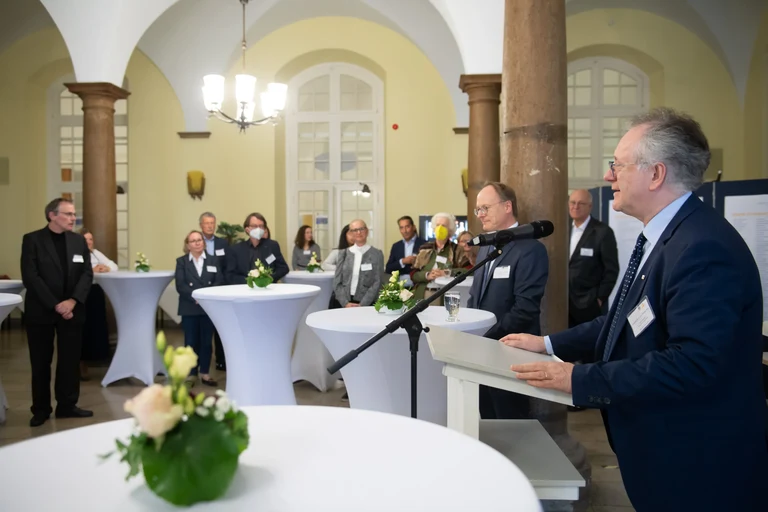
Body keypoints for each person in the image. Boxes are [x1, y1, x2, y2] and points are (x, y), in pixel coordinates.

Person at [502, 108, 768, 511]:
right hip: (667, 455)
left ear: (655, 174)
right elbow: (623, 321)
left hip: (698, 467)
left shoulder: (702, 247)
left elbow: (691, 363)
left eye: (617, 165)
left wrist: (578, 378)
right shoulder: (668, 236)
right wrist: (548, 343)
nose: (608, 175)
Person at [467, 182, 548, 420]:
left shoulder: (531, 249)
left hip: (511, 352)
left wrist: (485, 335)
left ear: (507, 206)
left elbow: (525, 309)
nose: (480, 214)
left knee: (510, 419)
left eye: (485, 208)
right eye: (478, 209)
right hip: (482, 350)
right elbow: (475, 297)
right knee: (486, 417)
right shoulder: (485, 247)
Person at [21, 198, 94, 427]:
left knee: (70, 361)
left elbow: (87, 273)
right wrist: (56, 304)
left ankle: (67, 405)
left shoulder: (78, 241)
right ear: (52, 215)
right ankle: (41, 409)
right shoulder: (32, 240)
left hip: (72, 310)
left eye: (74, 214)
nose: (73, 218)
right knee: (40, 362)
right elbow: (31, 277)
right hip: (42, 310)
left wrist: (72, 301)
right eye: (68, 214)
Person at [175, 230, 223, 386]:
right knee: (190, 342)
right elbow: (180, 285)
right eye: (193, 241)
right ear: (187, 245)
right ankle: (191, 374)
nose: (197, 243)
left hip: (208, 308)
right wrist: (195, 297)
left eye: (199, 240)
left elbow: (219, 281)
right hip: (190, 307)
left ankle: (205, 373)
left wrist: (205, 298)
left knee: (207, 342)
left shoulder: (213, 260)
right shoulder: (182, 262)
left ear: (204, 242)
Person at [567, 189, 619, 327]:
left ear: (590, 206)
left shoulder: (602, 232)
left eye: (581, 203)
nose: (575, 207)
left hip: (587, 306)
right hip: (562, 304)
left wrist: (600, 298)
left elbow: (611, 270)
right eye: (572, 202)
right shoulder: (562, 229)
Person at [79, 229, 117, 380]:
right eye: (86, 239)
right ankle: (81, 363)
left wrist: (106, 268)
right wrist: (92, 270)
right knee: (83, 329)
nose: (89, 242)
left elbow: (113, 265)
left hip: (95, 293)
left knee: (97, 327)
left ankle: (96, 358)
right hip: (82, 294)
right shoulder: (76, 254)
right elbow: (74, 272)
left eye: (91, 239)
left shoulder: (96, 253)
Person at [332, 219, 384, 308]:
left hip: (367, 303)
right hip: (344, 303)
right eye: (355, 230)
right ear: (351, 233)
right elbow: (337, 282)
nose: (359, 232)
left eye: (361, 229)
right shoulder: (343, 253)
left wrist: (363, 304)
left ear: (367, 231)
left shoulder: (377, 254)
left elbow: (377, 282)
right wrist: (345, 303)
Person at [410, 213, 462, 300]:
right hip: (423, 294)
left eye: (444, 225)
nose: (440, 228)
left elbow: (468, 271)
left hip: (445, 295)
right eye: (438, 225)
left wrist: (448, 273)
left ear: (450, 229)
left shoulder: (456, 249)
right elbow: (413, 274)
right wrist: (427, 275)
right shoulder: (424, 248)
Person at [200, 212, 228, 371]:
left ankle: (221, 360)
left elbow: (227, 266)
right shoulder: (196, 241)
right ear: (201, 225)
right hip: (202, 289)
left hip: (219, 289)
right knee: (204, 329)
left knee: (220, 328)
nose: (210, 226)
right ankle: (202, 363)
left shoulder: (223, 243)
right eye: (207, 223)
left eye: (212, 223)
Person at [225, 213, 289, 284]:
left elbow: (283, 268)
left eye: (261, 226)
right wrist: (249, 281)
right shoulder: (236, 249)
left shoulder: (272, 246)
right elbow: (230, 275)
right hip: (245, 288)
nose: (258, 229)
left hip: (268, 287)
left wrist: (269, 278)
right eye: (254, 226)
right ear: (247, 229)